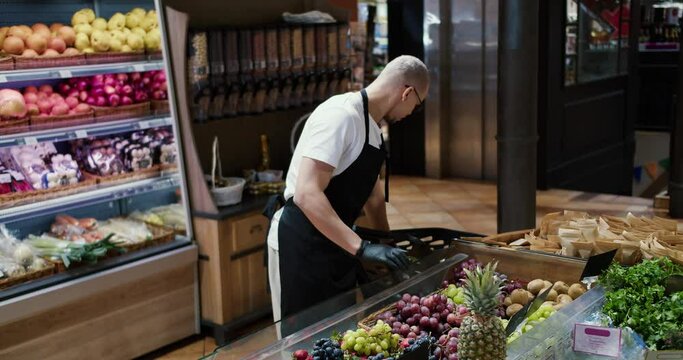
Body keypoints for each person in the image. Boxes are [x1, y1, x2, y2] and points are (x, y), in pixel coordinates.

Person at [266, 55, 429, 322]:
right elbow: (307, 194)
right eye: (417, 106)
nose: (411, 114)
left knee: (335, 334)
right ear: (407, 93)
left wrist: (386, 248)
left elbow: (374, 200)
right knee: (301, 342)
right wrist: (363, 248)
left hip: (337, 243)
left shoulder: (373, 130)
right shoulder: (340, 116)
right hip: (300, 244)